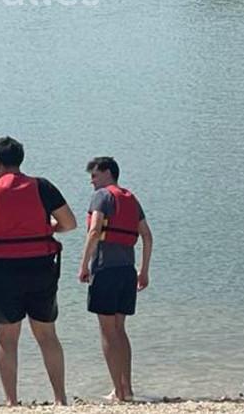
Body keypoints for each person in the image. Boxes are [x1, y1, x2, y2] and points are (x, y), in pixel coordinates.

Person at [0, 136, 76, 406]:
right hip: (41, 267)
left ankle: (11, 402)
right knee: (47, 335)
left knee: (7, 340)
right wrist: (44, 229)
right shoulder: (43, 187)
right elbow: (69, 223)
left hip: (5, 270)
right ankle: (60, 399)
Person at [78, 156, 153, 402]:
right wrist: (144, 271)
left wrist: (83, 266)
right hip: (127, 271)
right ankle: (127, 388)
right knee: (120, 330)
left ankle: (118, 392)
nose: (92, 181)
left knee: (108, 332)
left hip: (105, 270)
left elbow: (94, 230)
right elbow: (147, 236)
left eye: (95, 175)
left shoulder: (102, 196)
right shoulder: (131, 199)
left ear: (108, 173)